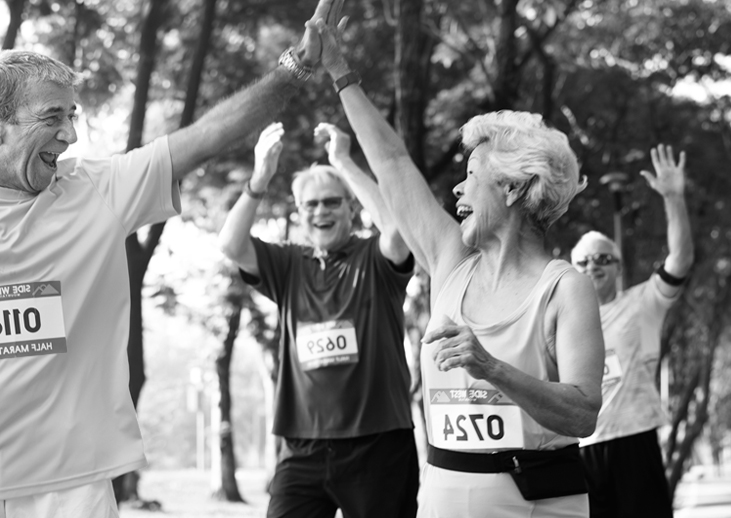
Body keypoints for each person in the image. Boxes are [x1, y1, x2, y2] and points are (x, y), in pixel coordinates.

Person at [0, 4, 331, 514]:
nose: (70, 135)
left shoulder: (94, 190)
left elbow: (205, 139)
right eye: (51, 117)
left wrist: (297, 67)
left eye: (73, 116)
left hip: (68, 491)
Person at [312, 4, 605, 516]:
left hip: (542, 502)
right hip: (445, 493)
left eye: (472, 174)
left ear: (513, 187)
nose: (457, 186)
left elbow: (582, 414)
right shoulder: (452, 260)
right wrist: (341, 72)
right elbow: (393, 164)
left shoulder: (566, 288)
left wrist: (491, 367)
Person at [217, 121, 418, 518]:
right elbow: (230, 244)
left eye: (332, 202)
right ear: (299, 213)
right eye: (311, 205)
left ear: (350, 207)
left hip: (379, 446)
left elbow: (397, 229)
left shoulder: (374, 258)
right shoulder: (288, 263)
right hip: (302, 447)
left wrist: (343, 161)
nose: (321, 211)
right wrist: (260, 178)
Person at [570, 144, 694, 518]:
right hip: (580, 446)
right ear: (573, 270)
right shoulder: (559, 319)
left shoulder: (643, 302)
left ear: (619, 267)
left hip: (633, 442)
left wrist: (673, 197)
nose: (594, 265)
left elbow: (681, 258)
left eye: (604, 258)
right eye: (585, 261)